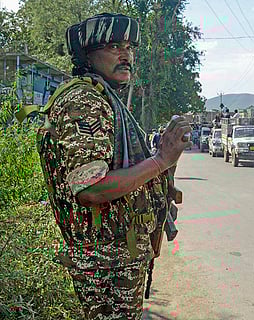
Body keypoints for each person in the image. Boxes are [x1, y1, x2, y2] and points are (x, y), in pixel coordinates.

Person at [36, 13, 192, 319]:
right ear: (87, 56)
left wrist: (161, 184)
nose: (126, 55)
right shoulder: (85, 101)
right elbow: (92, 189)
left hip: (117, 256)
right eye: (113, 47)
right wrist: (160, 161)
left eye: (129, 47)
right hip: (105, 262)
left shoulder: (106, 100)